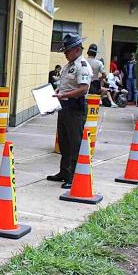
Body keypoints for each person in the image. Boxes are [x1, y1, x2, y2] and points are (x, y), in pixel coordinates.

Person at [47, 33, 91, 189]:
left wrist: (64, 94)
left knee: (74, 143)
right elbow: (66, 84)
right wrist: (60, 90)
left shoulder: (82, 66)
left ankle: (73, 176)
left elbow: (83, 89)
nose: (65, 54)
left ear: (77, 50)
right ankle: (64, 172)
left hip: (75, 107)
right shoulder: (69, 65)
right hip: (64, 106)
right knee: (64, 141)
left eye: (67, 51)